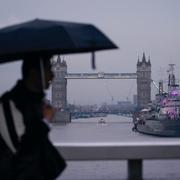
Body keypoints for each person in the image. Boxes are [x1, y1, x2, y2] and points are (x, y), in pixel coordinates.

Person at [0, 55, 66, 180]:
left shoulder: (36, 104)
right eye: (49, 70)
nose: (53, 75)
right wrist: (45, 122)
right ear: (34, 73)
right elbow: (22, 150)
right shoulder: (9, 104)